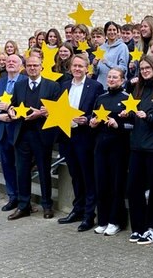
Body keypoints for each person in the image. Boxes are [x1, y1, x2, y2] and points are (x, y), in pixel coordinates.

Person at [7, 56, 61, 220]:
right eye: (29, 65)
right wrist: (11, 110)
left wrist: (43, 112)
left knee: (44, 171)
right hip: (22, 134)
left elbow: (59, 110)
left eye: (35, 65)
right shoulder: (19, 85)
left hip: (42, 135)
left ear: (41, 67)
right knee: (22, 171)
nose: (32, 68)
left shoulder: (52, 86)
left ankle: (47, 205)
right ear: (25, 67)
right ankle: (24, 206)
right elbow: (13, 104)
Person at [121, 55, 153, 245]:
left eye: (148, 67)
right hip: (137, 145)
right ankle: (138, 227)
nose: (145, 71)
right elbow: (134, 118)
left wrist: (148, 117)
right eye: (142, 68)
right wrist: (127, 115)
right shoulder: (137, 89)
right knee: (133, 188)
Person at [57, 55, 104, 232]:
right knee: (75, 175)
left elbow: (99, 112)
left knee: (87, 176)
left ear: (87, 69)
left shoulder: (95, 86)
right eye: (74, 66)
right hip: (67, 136)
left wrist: (87, 119)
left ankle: (89, 215)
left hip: (85, 136)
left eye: (80, 66)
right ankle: (77, 209)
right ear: (70, 68)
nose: (77, 69)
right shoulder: (65, 86)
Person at [91, 68, 132, 236]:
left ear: (122, 80)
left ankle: (116, 221)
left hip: (119, 147)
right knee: (101, 183)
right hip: (101, 146)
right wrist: (92, 123)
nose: (111, 79)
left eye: (115, 77)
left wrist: (118, 125)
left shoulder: (128, 99)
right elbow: (93, 120)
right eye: (109, 77)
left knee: (116, 184)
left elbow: (133, 125)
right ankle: (102, 220)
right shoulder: (100, 98)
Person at [0, 54, 27, 211]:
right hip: (2, 131)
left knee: (20, 167)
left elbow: (27, 105)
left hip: (19, 131)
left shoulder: (25, 82)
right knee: (6, 166)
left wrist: (11, 111)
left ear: (21, 66)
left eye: (14, 61)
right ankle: (12, 196)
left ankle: (23, 199)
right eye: (8, 61)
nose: (10, 63)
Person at [93, 22, 130, 90]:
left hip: (115, 87)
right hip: (101, 85)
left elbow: (123, 69)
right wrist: (95, 65)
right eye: (109, 30)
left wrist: (107, 63)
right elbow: (96, 72)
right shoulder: (101, 48)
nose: (112, 32)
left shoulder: (122, 47)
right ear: (105, 32)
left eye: (114, 30)